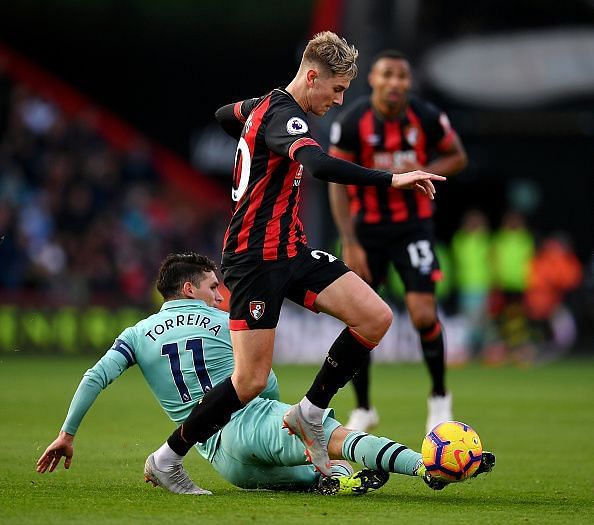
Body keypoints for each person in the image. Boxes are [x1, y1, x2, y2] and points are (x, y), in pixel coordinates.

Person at [146, 31, 447, 486]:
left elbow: (224, 115)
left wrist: (251, 127)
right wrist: (393, 179)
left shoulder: (263, 107)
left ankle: (309, 412)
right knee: (249, 381)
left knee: (375, 316)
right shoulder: (288, 117)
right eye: (337, 88)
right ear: (311, 77)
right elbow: (321, 166)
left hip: (292, 250)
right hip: (253, 259)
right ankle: (167, 457)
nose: (339, 98)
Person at [35, 252, 496, 495]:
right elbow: (262, 380)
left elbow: (95, 377)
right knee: (328, 434)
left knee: (327, 472)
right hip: (251, 425)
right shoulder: (225, 320)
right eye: (214, 286)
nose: (221, 294)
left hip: (223, 462)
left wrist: (67, 433)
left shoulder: (137, 334)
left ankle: (332, 479)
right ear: (188, 287)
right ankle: (430, 467)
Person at [327, 49, 468, 433]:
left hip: (414, 227)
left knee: (423, 314)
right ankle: (364, 407)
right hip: (366, 231)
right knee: (361, 318)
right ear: (372, 78)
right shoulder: (352, 121)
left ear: (409, 82)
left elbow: (457, 157)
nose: (395, 83)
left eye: (402, 76)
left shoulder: (425, 117)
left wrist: (425, 170)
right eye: (387, 74)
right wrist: (350, 242)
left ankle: (440, 398)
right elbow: (337, 184)